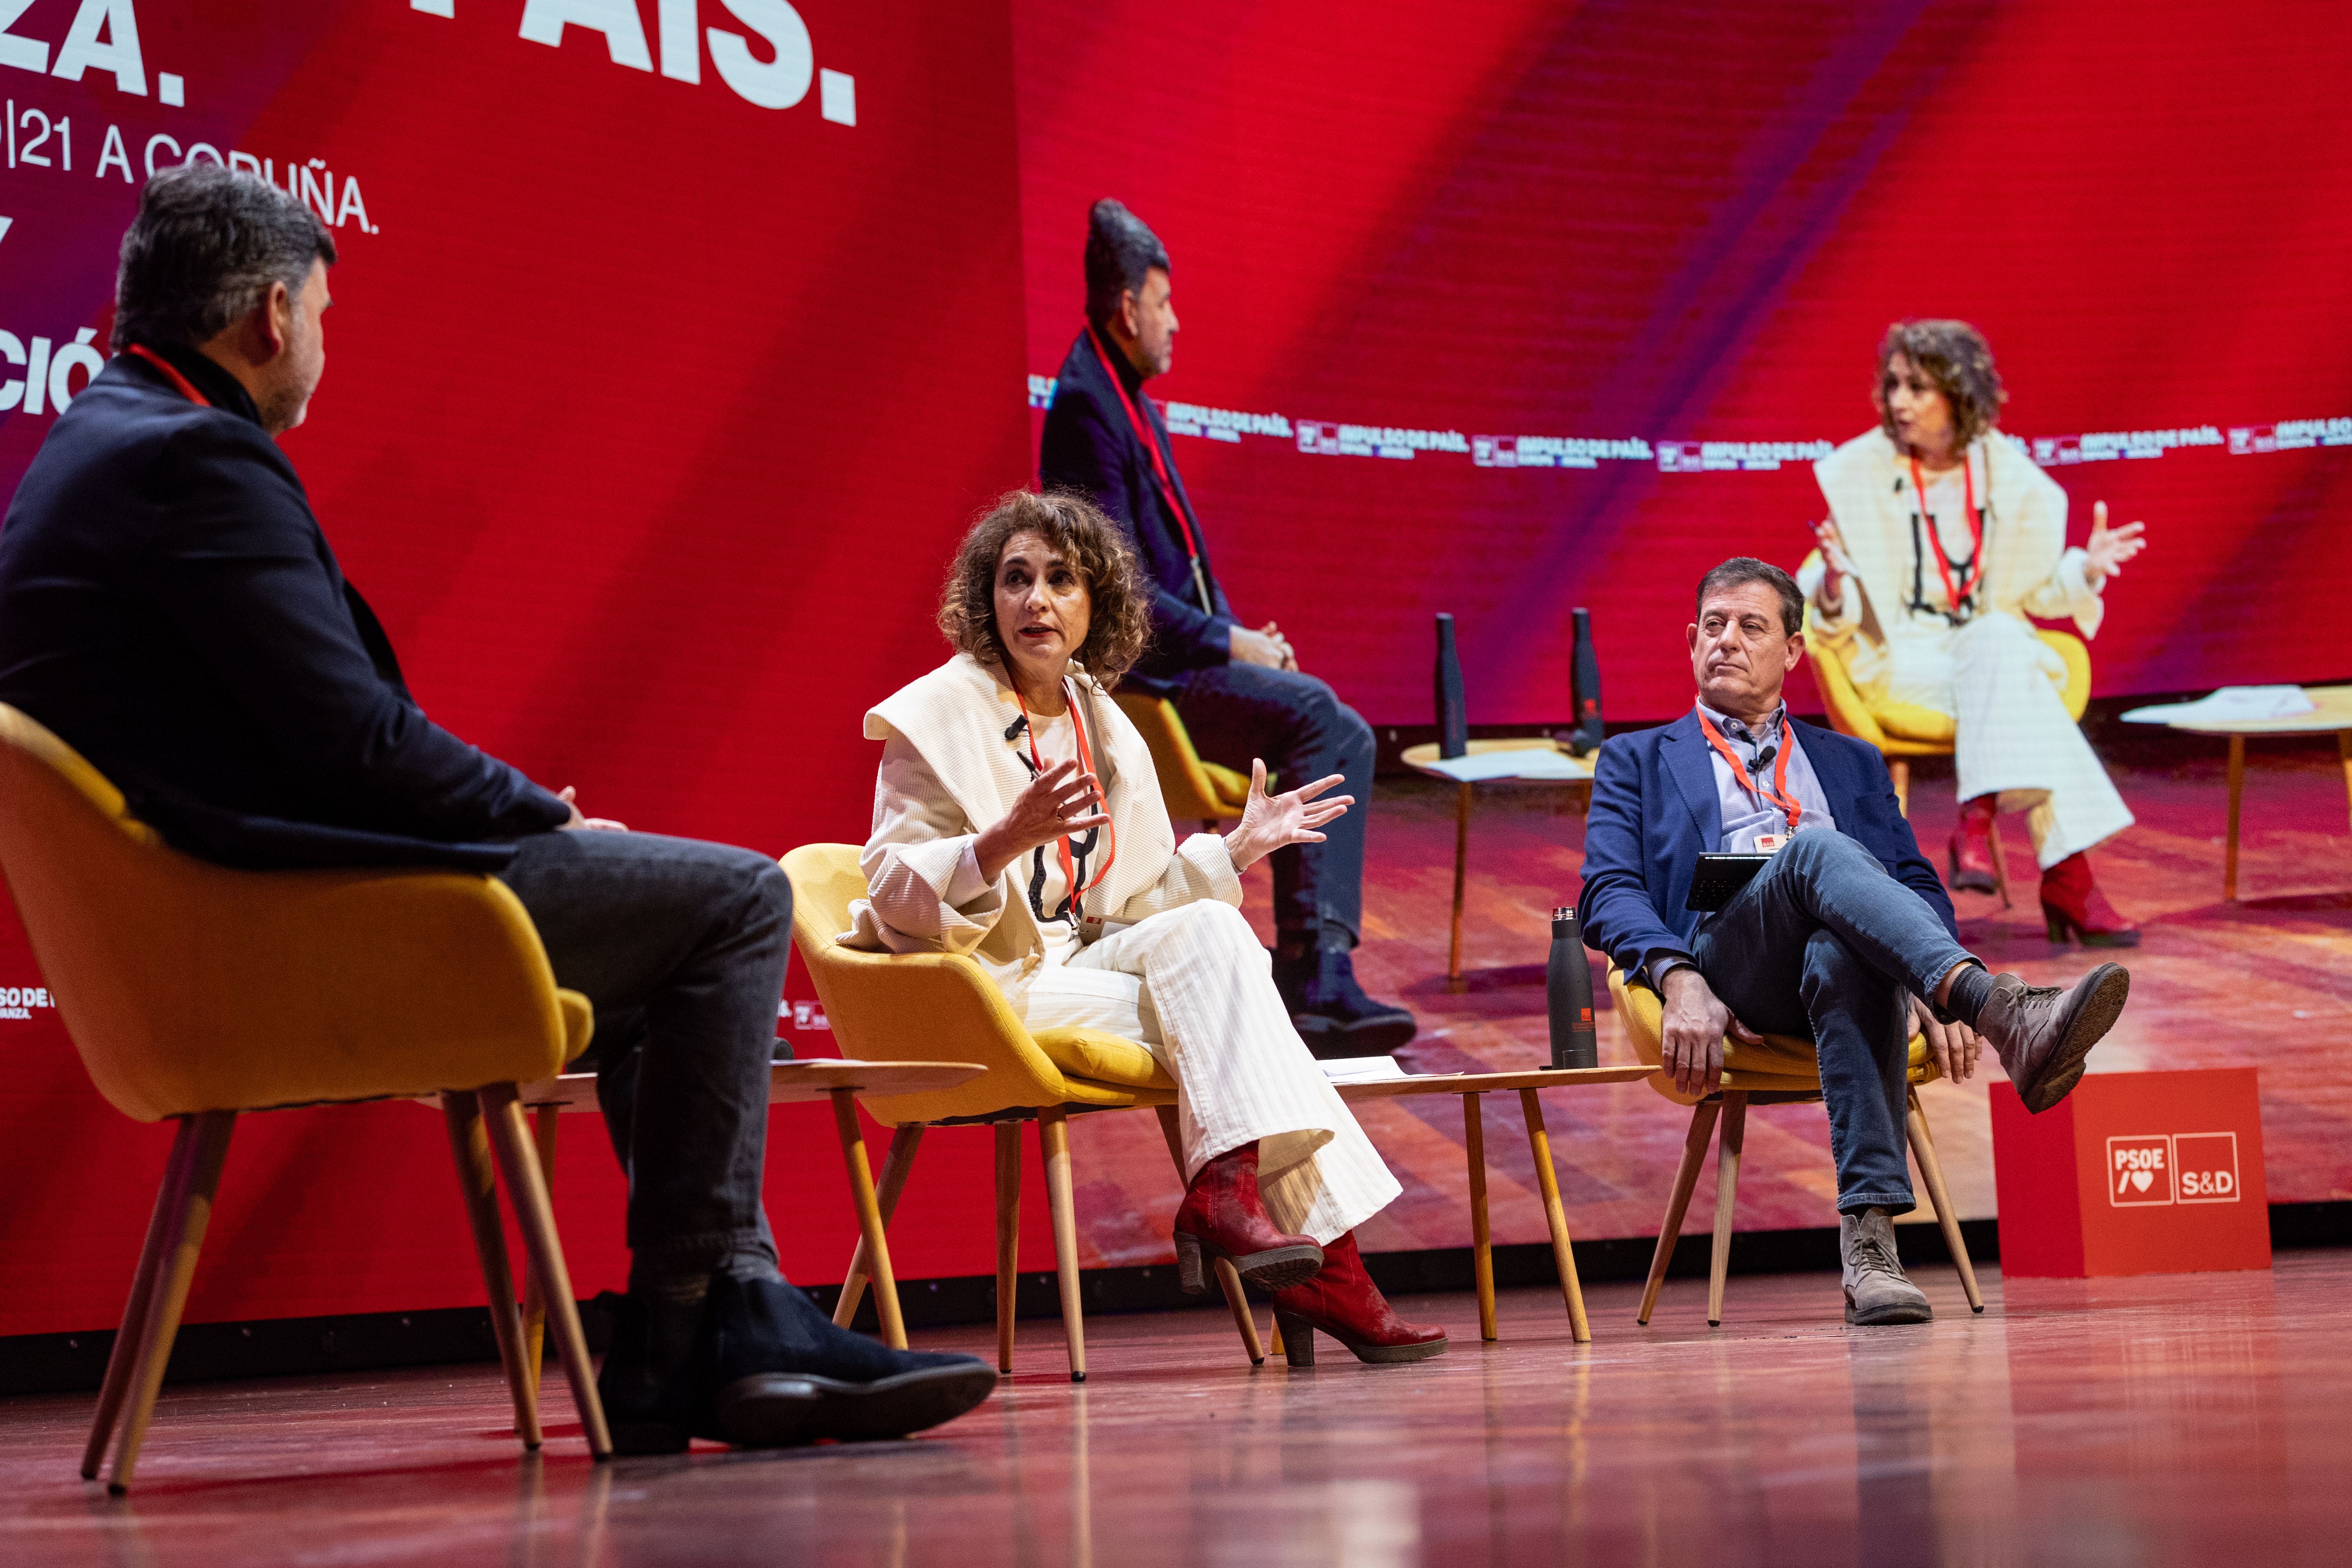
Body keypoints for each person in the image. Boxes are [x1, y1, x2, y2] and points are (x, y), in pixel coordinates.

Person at [0, 166, 995, 1452]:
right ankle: (702, 1328)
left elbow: (285, 747)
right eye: (323, 313)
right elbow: (356, 744)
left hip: (215, 928)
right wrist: (543, 822)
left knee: (667, 963)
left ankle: (711, 1320)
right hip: (285, 929)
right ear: (271, 314)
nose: (323, 343)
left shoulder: (96, 446)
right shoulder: (195, 456)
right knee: (737, 898)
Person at [844, 488, 1447, 1366]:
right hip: (982, 983)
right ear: (987, 598)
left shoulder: (1100, 719)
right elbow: (892, 888)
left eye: (1061, 580)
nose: (1036, 600)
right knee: (1239, 1021)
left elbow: (1133, 902)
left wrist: (1236, 849)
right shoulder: (933, 715)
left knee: (1217, 938)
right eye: (1016, 579)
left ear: (1097, 605)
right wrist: (1000, 840)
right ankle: (1324, 1267)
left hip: (1081, 964)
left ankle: (1234, 1198)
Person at [1579, 558, 2132, 1326]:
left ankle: (1870, 1251)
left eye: (1749, 626)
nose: (1725, 640)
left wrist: (1918, 972)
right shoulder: (1636, 760)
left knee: (1841, 952)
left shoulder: (1850, 760)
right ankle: (1996, 1007)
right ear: (1690, 641)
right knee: (1815, 848)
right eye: (1712, 625)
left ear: (1792, 650)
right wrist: (1677, 976)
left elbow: (1914, 880)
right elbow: (1607, 889)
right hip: (1727, 967)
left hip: (1836, 966)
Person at [1037, 198, 1415, 1056]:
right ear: (1127, 308)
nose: (1176, 321)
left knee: (1342, 725)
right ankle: (1315, 976)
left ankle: (1314, 967)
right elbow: (1116, 591)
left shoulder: (1123, 397)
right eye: (1164, 303)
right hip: (1150, 679)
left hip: (1185, 660)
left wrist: (1246, 640)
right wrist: (1230, 645)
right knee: (1317, 714)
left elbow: (1178, 569)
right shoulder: (1087, 406)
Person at [1802, 320, 2149, 944]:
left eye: (1917, 387)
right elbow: (1827, 601)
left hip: (1984, 653)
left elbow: (2035, 591)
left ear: (1958, 393)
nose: (1899, 401)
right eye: (1893, 385)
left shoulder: (2005, 474)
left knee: (1994, 637)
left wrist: (2086, 570)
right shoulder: (1863, 473)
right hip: (1906, 659)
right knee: (2016, 671)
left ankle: (1979, 820)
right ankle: (2065, 876)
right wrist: (1833, 578)